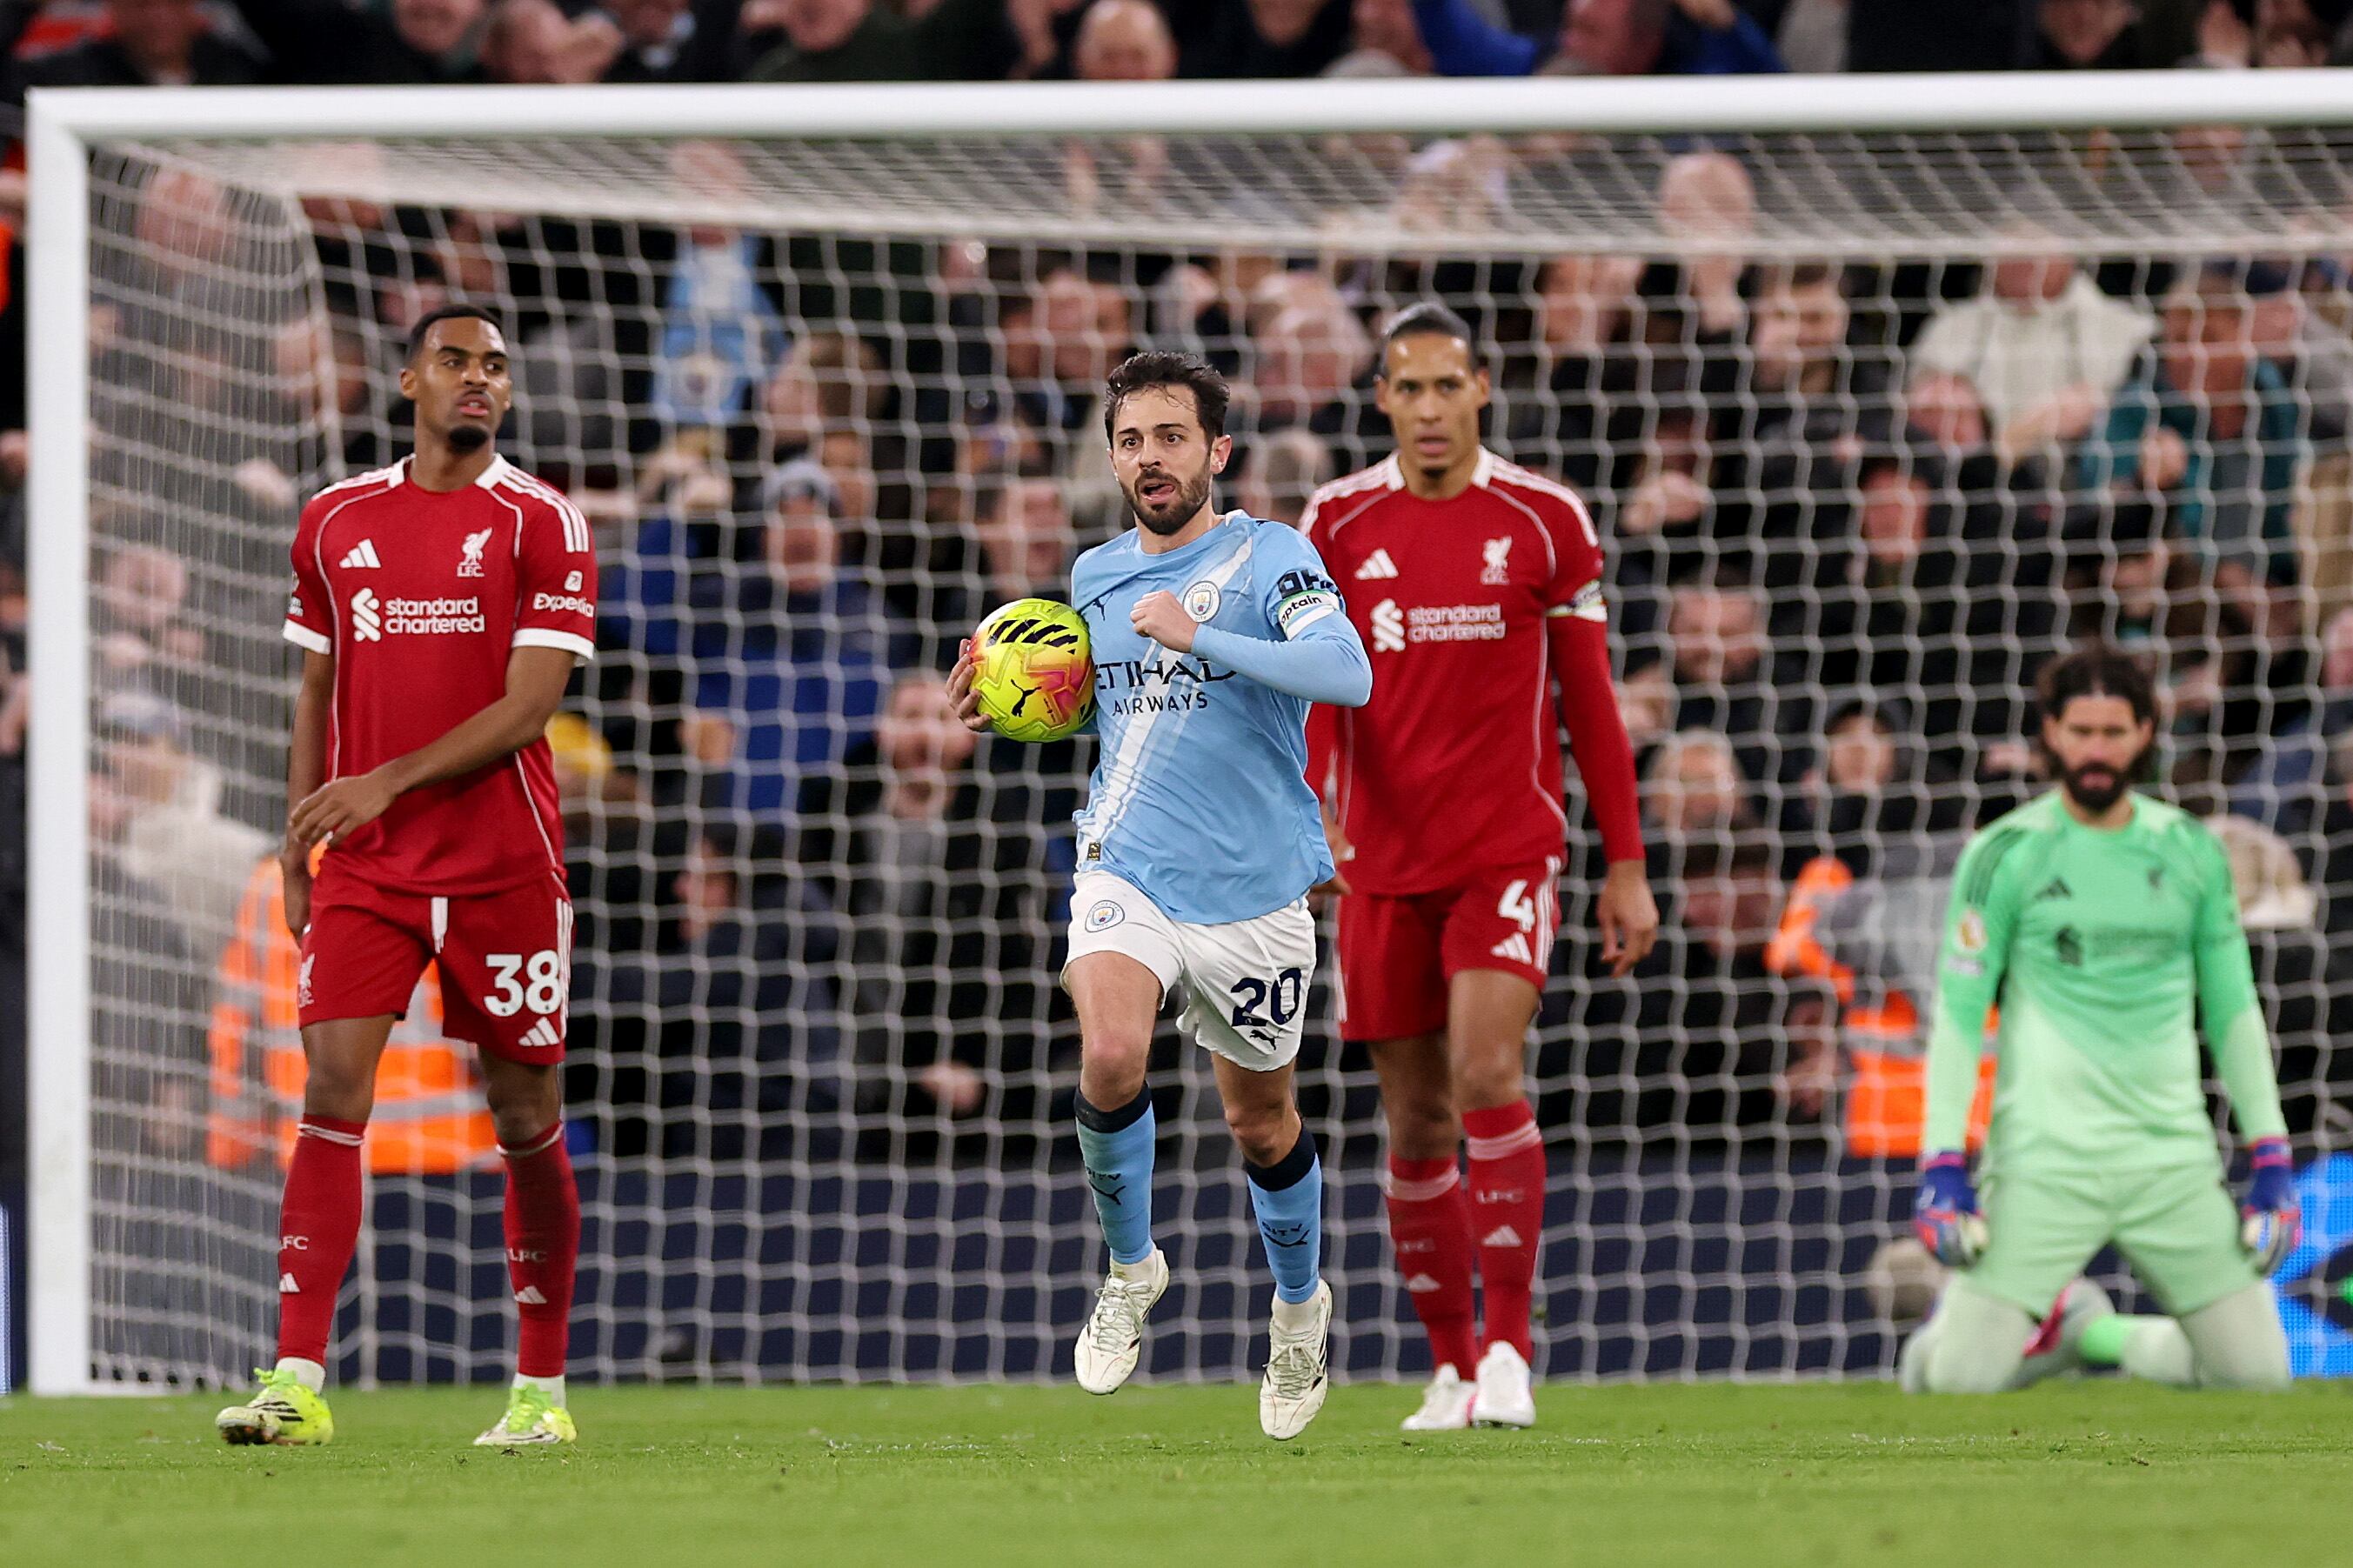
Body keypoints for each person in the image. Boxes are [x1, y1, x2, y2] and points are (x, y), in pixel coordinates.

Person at [950, 350, 1370, 1440]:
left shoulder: (1273, 556)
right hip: (1126, 863)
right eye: (1131, 440)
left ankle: (1295, 1313)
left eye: (1171, 437)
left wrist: (1203, 634)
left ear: (1215, 452)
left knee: (1260, 1122)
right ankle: (1131, 1269)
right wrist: (1014, 705)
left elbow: (1347, 675)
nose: (1150, 458)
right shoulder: (1092, 574)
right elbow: (1122, 713)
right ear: (1111, 456)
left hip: (1256, 892)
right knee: (1107, 1055)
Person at [213, 305, 598, 1450]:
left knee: (523, 1114)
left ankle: (539, 1392)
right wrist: (303, 831)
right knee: (330, 1090)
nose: (476, 380)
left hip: (503, 861)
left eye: (493, 367)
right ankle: (294, 1378)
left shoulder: (542, 520)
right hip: (368, 869)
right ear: (407, 380)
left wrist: (379, 782)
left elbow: (531, 705)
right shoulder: (334, 520)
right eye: (454, 362)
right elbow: (315, 689)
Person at [1299, 304, 1655, 1430]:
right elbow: (1312, 687)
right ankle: (1448, 1365)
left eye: (1448, 385)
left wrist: (1629, 862)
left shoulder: (1544, 519)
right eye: (1408, 388)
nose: (1430, 408)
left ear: (1482, 389)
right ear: (1382, 400)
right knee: (1411, 1122)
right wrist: (1312, 813)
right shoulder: (1338, 519)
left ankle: (1509, 1344)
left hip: (1506, 846)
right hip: (1380, 863)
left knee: (1486, 1067)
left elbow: (1591, 705)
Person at [1902, 645, 2300, 1394]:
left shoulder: (2190, 852)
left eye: (2113, 731)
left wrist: (2271, 1154)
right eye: (2079, 730)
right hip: (2042, 1160)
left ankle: (2090, 1330)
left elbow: (2233, 1011)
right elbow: (1958, 1017)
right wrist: (1943, 1163)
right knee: (1954, 1384)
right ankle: (1942, 1343)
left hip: (2170, 1161)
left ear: (2147, 731)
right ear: (2049, 732)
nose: (2095, 749)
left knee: (2258, 1377)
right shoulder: (2004, 853)